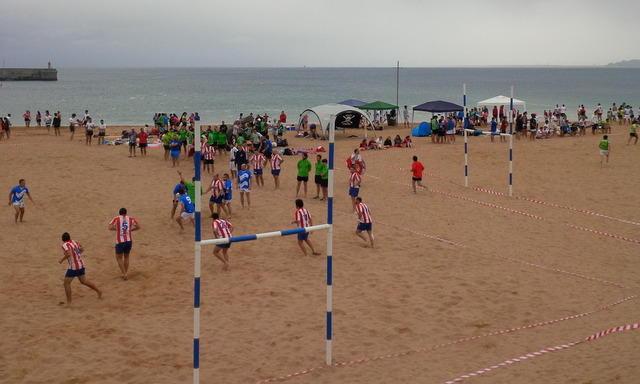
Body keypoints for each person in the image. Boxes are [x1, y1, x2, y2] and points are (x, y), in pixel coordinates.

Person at [58, 232, 102, 305]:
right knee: (83, 281)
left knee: (66, 283)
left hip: (74, 267)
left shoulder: (65, 245)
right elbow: (82, 249)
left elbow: (68, 254)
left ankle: (69, 303)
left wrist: (61, 260)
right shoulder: (74, 242)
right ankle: (98, 291)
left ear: (63, 240)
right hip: (81, 265)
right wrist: (77, 255)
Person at [108, 207, 140, 280]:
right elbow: (138, 227)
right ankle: (125, 272)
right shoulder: (131, 218)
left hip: (120, 241)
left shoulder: (116, 218)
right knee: (126, 257)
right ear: (126, 213)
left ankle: (124, 274)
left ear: (119, 213)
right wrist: (131, 230)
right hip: (129, 241)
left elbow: (110, 227)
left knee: (119, 258)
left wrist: (116, 229)